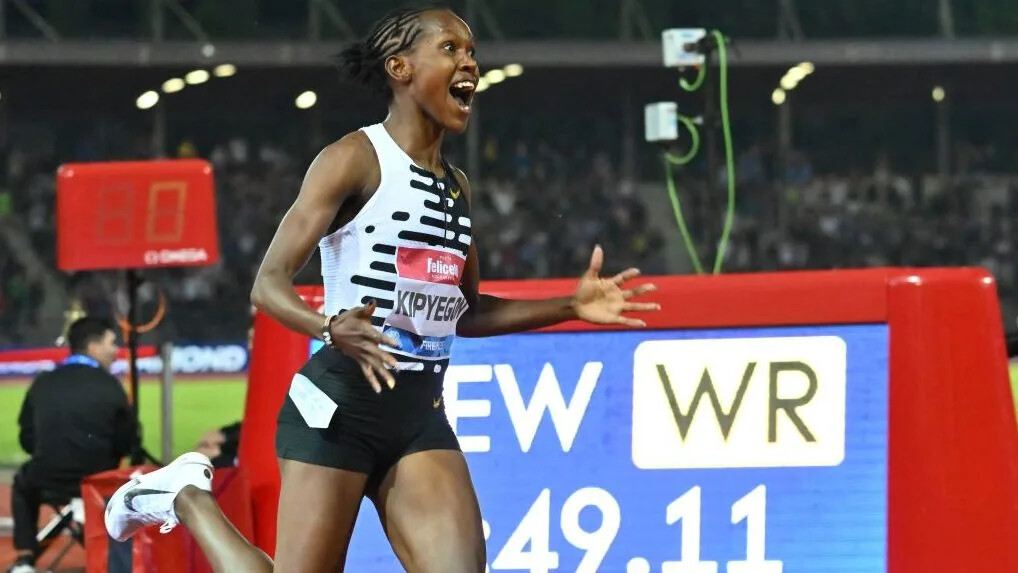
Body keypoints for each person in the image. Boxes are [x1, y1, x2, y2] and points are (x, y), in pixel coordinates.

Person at [103, 6, 659, 573]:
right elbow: (267, 284)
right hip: (339, 407)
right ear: (400, 67)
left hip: (418, 416)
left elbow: (465, 313)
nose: (469, 63)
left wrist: (570, 306)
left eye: (472, 52)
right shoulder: (354, 158)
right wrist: (328, 326)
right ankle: (185, 496)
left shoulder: (457, 187)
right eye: (450, 49)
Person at [10, 316, 136, 573]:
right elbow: (127, 442)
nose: (116, 350)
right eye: (111, 343)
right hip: (98, 481)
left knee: (22, 484)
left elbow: (27, 438)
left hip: (48, 477)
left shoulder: (44, 382)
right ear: (93, 346)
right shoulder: (111, 386)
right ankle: (115, 559)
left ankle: (25, 560)